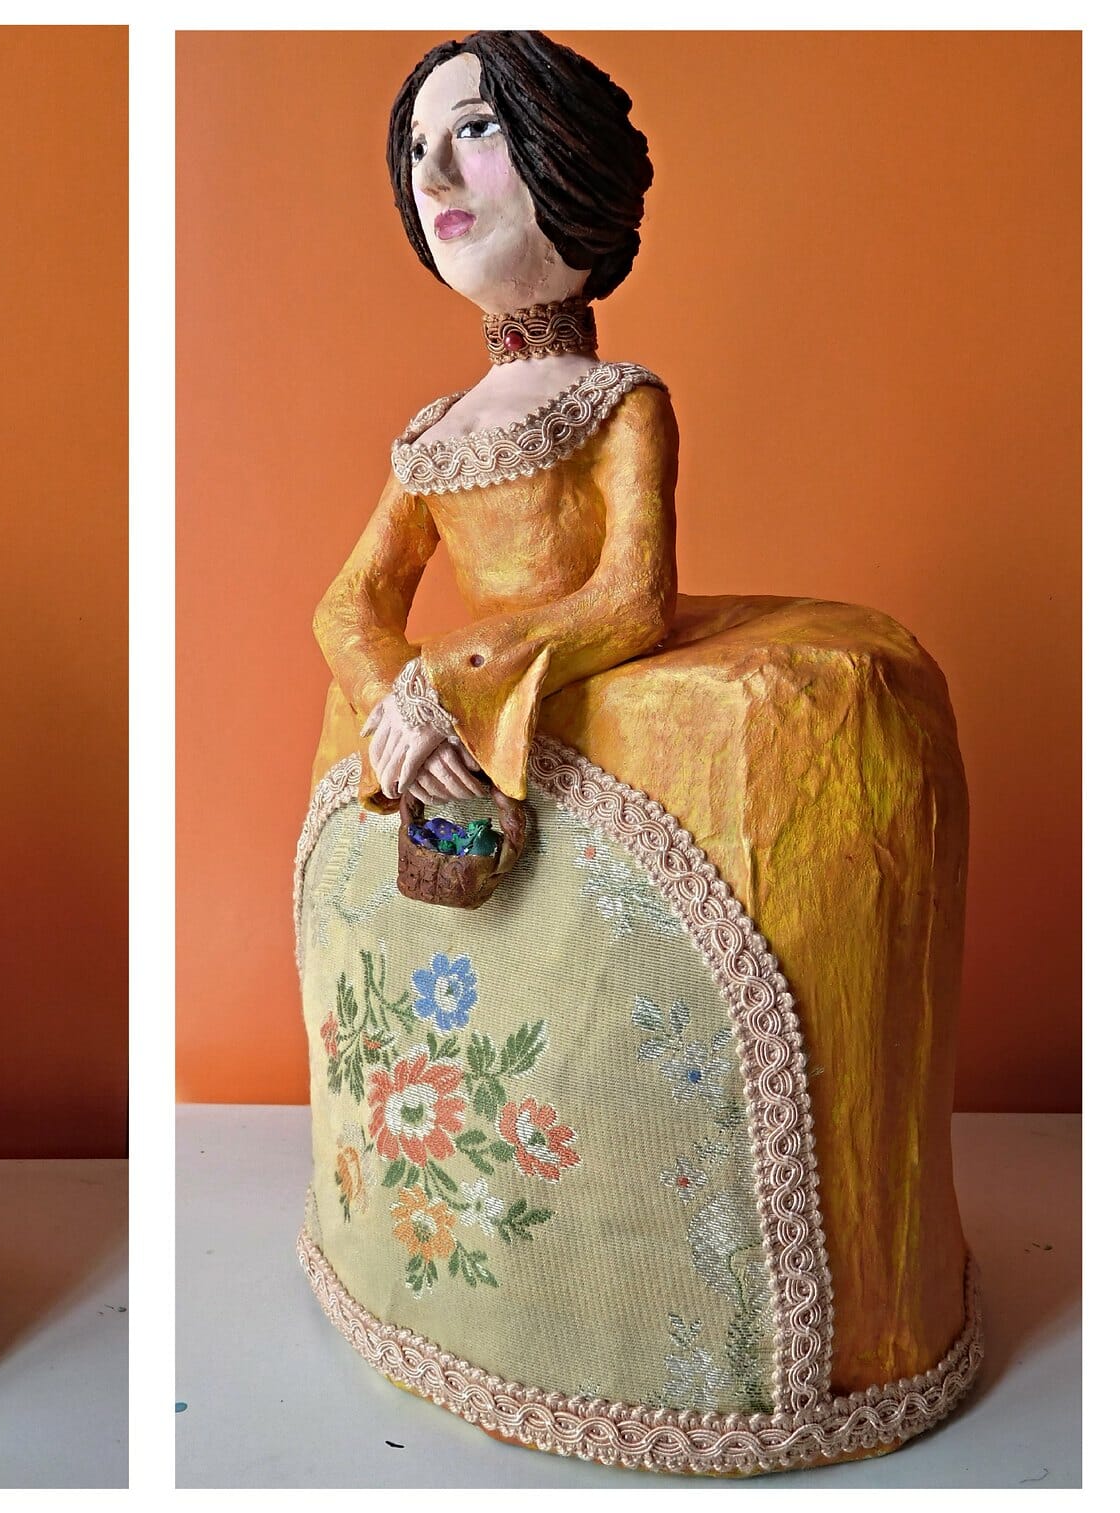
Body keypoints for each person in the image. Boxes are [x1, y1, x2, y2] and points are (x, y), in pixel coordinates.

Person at [300, 32, 975, 1473]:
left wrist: (454, 671)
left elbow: (630, 599)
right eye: (417, 149)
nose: (438, 175)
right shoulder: (433, 433)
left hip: (563, 704)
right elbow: (346, 602)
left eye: (477, 132)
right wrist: (388, 693)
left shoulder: (619, 402)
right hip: (453, 740)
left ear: (570, 165)